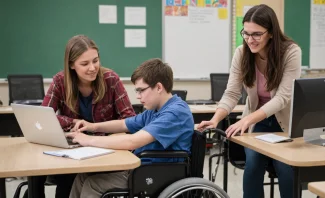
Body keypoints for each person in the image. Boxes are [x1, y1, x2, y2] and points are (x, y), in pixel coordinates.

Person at [198, 4, 301, 198]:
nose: (249, 40)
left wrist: (247, 120)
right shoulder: (242, 53)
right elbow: (231, 93)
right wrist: (215, 119)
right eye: (245, 33)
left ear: (271, 33)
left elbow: (282, 98)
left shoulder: (290, 52)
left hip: (284, 122)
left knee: (286, 168)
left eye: (256, 34)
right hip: (257, 122)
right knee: (253, 165)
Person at [23, 35, 136, 198]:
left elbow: (130, 119)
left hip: (105, 149)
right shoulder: (60, 81)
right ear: (71, 65)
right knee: (62, 184)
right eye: (85, 63)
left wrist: (97, 129)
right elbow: (43, 116)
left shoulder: (110, 79)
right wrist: (73, 122)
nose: (92, 68)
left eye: (95, 61)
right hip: (73, 149)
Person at [66, 58, 194, 198]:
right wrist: (92, 126)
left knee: (93, 184)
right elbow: (123, 124)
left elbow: (132, 141)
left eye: (141, 90)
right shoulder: (155, 110)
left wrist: (88, 140)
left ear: (158, 87)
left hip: (155, 173)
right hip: (141, 168)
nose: (138, 96)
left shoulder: (175, 113)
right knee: (82, 177)